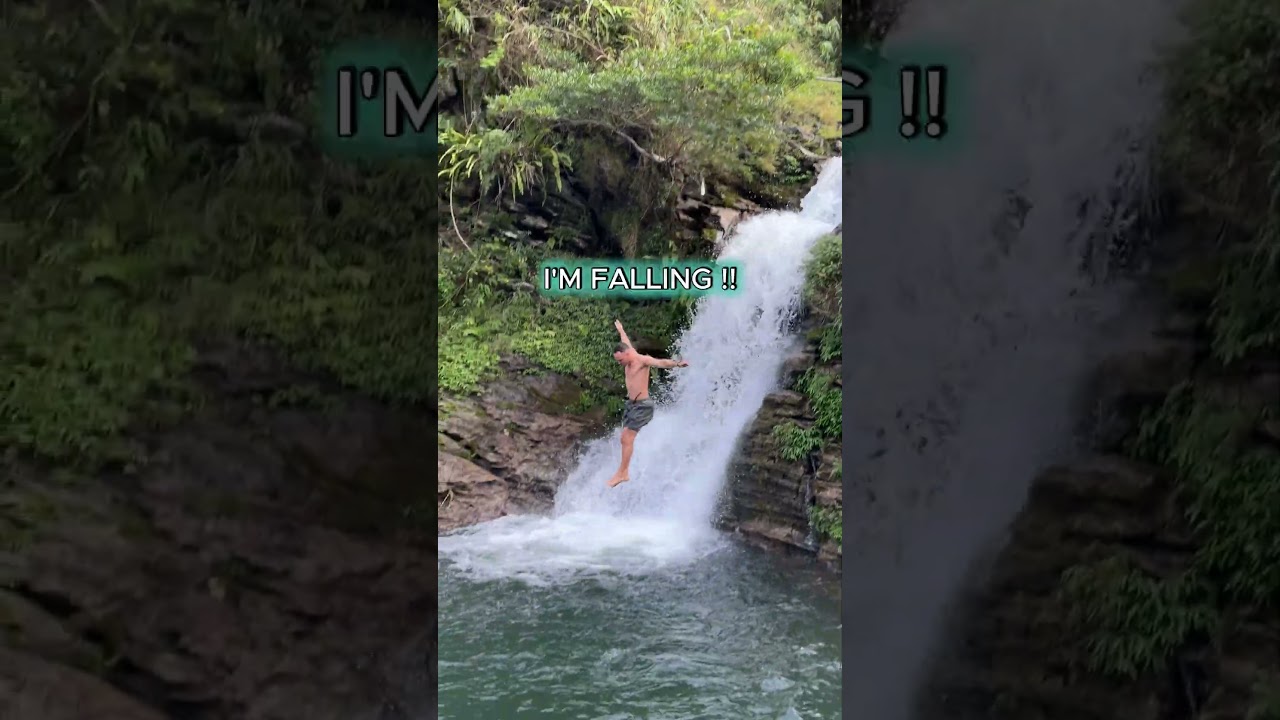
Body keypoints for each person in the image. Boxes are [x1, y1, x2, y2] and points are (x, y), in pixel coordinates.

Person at [607, 319, 688, 488]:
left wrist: (677, 364)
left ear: (628, 354)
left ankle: (623, 472)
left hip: (643, 406)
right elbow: (625, 342)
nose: (620, 363)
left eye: (620, 360)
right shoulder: (628, 354)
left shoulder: (642, 360)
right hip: (632, 405)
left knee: (626, 437)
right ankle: (623, 471)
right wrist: (621, 329)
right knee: (624, 439)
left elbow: (661, 363)